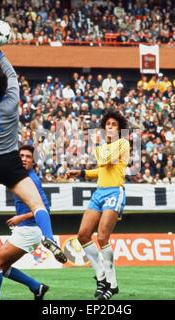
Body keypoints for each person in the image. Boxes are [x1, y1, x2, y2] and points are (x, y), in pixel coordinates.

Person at [0, 35, 65, 297]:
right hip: (10, 163)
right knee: (39, 205)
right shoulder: (12, 101)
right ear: (5, 88)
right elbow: (11, 74)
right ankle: (51, 239)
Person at [67, 109, 130, 300]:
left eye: (114, 125)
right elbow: (102, 170)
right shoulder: (106, 146)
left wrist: (96, 143)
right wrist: (82, 173)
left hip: (114, 192)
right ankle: (101, 277)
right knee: (83, 235)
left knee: (102, 238)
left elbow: (106, 160)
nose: (110, 128)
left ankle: (112, 283)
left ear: (119, 130)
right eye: (107, 125)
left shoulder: (122, 143)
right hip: (99, 192)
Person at [0, 144, 65, 300]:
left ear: (33, 162)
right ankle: (37, 287)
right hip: (26, 229)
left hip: (29, 229)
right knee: (3, 267)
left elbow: (45, 209)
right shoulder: (21, 176)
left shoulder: (31, 180)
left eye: (28, 157)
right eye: (21, 156)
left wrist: (20, 218)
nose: (24, 159)